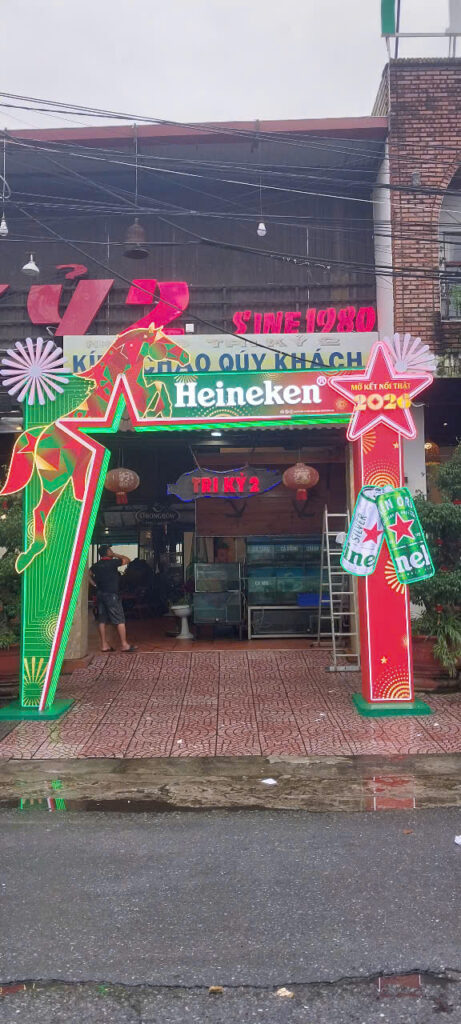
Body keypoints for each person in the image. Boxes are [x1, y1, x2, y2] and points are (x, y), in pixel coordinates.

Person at [90, 545, 136, 652]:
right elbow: (127, 559)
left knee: (102, 620)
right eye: (110, 550)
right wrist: (114, 555)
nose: (112, 551)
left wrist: (94, 584)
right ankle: (124, 645)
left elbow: (88, 574)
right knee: (120, 620)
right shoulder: (113, 562)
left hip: (100, 594)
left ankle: (104, 645)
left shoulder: (96, 565)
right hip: (112, 595)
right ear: (107, 552)